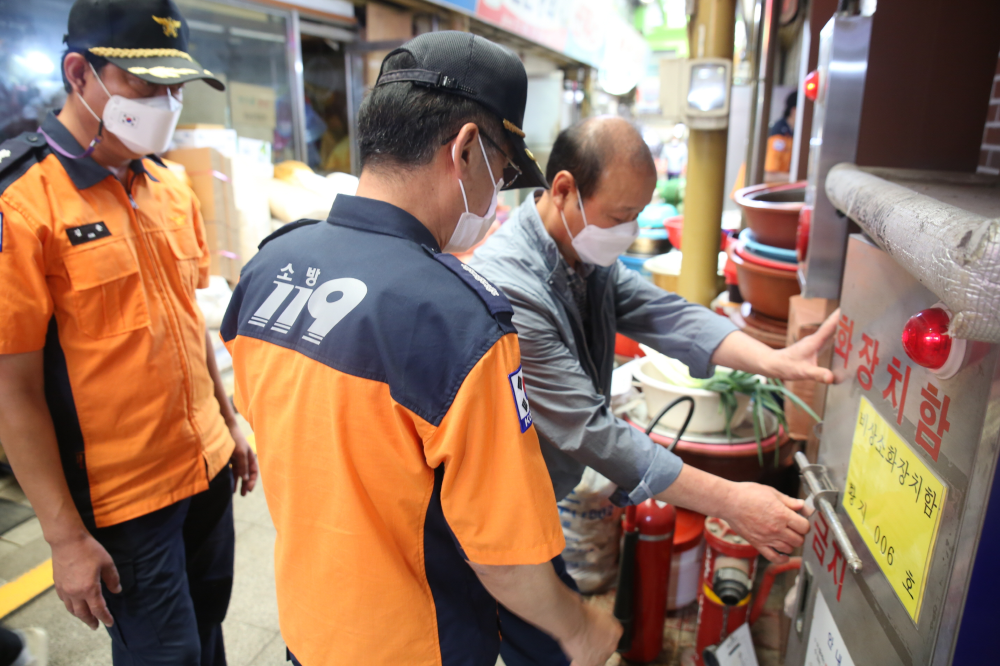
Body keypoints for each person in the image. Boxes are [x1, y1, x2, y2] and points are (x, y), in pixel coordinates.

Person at [220, 32, 621, 666]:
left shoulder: (269, 268)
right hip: (414, 646)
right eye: (505, 174)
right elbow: (504, 556)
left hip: (309, 629)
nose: (497, 202)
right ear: (465, 150)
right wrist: (578, 629)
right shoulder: (459, 323)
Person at [469, 116, 835, 666]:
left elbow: (665, 314)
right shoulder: (512, 287)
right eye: (620, 216)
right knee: (524, 629)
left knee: (549, 632)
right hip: (501, 503)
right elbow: (592, 431)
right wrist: (733, 501)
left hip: (540, 495)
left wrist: (773, 359)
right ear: (564, 189)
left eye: (638, 214)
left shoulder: (582, 254)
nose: (629, 229)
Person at [0, 1, 257, 664]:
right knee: (162, 655)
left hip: (204, 472)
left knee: (208, 632)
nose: (168, 103)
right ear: (79, 73)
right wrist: (62, 537)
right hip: (126, 504)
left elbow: (187, 322)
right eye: (148, 84)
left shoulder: (171, 189)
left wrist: (226, 422)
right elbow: (13, 389)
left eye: (178, 87)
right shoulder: (24, 205)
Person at [765, 91, 798, 181]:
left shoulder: (792, 134)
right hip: (746, 192)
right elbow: (769, 176)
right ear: (794, 111)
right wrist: (799, 179)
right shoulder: (778, 136)